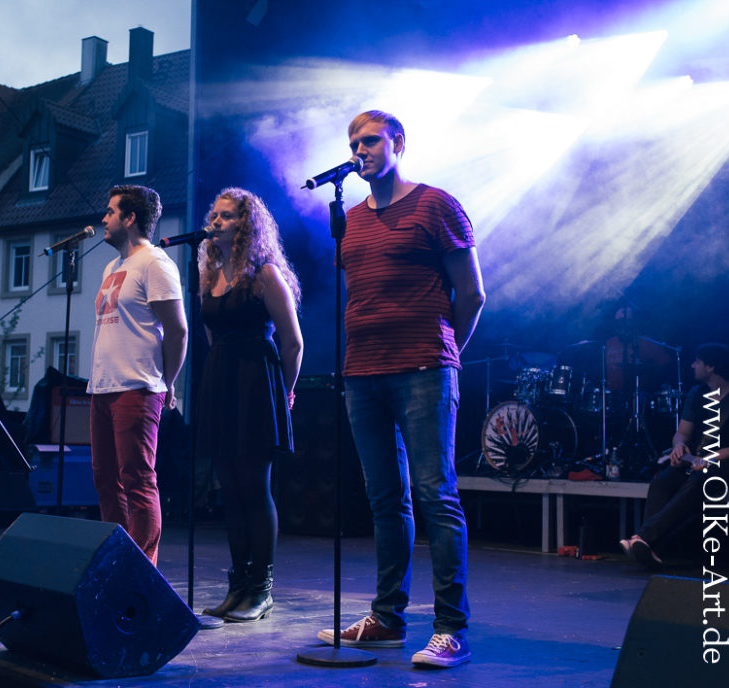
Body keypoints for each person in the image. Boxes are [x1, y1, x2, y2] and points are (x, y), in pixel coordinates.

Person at [316, 110, 485, 668]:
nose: (359, 150)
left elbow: (472, 293)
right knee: (385, 500)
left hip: (423, 369)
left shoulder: (436, 205)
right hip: (362, 373)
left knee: (436, 494)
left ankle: (451, 629)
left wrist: (446, 352)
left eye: (370, 141)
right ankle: (387, 619)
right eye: (353, 143)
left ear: (399, 144)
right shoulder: (350, 220)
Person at [196, 188, 303, 622]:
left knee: (254, 487)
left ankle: (261, 588)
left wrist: (284, 393)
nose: (216, 222)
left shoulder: (264, 275)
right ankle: (238, 585)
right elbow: (211, 334)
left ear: (246, 224)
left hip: (257, 384)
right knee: (229, 488)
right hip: (222, 383)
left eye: (227, 216)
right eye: (214, 214)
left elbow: (293, 343)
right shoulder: (209, 274)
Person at [87, 185, 188, 566]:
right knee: (105, 480)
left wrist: (167, 382)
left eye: (111, 212)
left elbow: (178, 331)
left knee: (138, 480)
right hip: (103, 387)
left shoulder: (155, 263)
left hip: (138, 386)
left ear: (130, 218)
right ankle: (117, 563)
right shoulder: (111, 267)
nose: (104, 219)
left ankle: (143, 569)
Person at [620, 343, 729, 569]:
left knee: (698, 481)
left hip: (728, 464)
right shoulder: (697, 394)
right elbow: (682, 433)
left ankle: (644, 538)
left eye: (697, 361)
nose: (692, 365)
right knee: (661, 482)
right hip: (696, 461)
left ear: (711, 367)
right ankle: (649, 548)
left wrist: (710, 458)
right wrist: (678, 446)